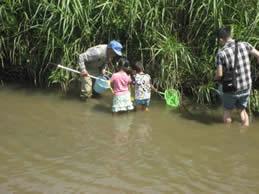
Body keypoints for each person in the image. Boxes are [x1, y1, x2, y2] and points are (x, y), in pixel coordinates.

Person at [215, 27, 259, 127]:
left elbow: (219, 75)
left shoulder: (221, 53)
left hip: (232, 88)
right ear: (230, 36)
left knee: (227, 111)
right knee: (242, 111)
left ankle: (227, 135)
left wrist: (215, 79)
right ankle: (244, 130)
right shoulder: (245, 44)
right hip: (247, 86)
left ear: (221, 39)